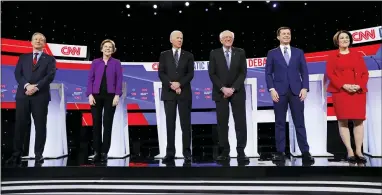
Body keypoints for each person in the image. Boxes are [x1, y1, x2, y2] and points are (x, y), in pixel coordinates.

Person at [6, 32, 57, 165]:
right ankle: (16, 154)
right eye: (36, 39)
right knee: (20, 125)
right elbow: (18, 73)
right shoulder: (23, 57)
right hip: (23, 95)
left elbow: (50, 76)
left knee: (40, 126)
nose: (38, 41)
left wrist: (36, 87)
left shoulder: (50, 59)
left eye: (41, 40)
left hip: (40, 96)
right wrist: (27, 86)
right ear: (31, 42)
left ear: (44, 43)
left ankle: (38, 154)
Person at [265, 27, 314, 164]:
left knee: (299, 122)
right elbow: (268, 73)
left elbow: (304, 71)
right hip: (279, 92)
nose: (286, 36)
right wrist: (271, 89)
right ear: (278, 37)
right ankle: (280, 152)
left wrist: (305, 87)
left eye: (288, 34)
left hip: (296, 91)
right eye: (283, 34)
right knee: (280, 123)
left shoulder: (298, 52)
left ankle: (305, 152)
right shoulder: (272, 53)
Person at [326, 30, 369, 164]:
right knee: (343, 121)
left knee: (359, 121)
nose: (345, 40)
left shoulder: (357, 55)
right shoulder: (333, 56)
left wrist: (358, 85)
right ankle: (349, 151)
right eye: (342, 38)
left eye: (347, 37)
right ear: (337, 41)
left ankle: (358, 151)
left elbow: (364, 73)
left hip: (357, 92)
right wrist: (344, 85)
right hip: (341, 92)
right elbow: (330, 74)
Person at [208, 30, 249, 162]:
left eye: (230, 37)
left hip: (237, 92)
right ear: (221, 40)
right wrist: (223, 88)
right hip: (220, 93)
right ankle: (225, 151)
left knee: (240, 122)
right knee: (222, 123)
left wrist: (233, 89)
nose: (228, 39)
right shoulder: (214, 53)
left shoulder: (240, 52)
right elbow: (212, 73)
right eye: (225, 37)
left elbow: (243, 73)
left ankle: (241, 151)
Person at [158, 30, 194, 163]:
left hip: (184, 93)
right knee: (170, 124)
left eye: (182, 38)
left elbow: (190, 74)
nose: (180, 40)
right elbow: (161, 73)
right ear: (171, 40)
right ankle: (170, 153)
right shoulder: (164, 55)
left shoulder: (189, 55)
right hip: (169, 94)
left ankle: (187, 153)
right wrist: (171, 84)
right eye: (178, 38)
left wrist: (179, 84)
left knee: (185, 125)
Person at [86, 39, 123, 162]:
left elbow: (119, 80)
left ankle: (104, 152)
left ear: (113, 50)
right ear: (102, 49)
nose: (108, 49)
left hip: (110, 96)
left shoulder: (116, 63)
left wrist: (117, 95)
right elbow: (90, 79)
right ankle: (96, 151)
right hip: (96, 96)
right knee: (96, 124)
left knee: (107, 124)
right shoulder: (95, 62)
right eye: (105, 47)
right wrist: (90, 95)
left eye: (110, 47)